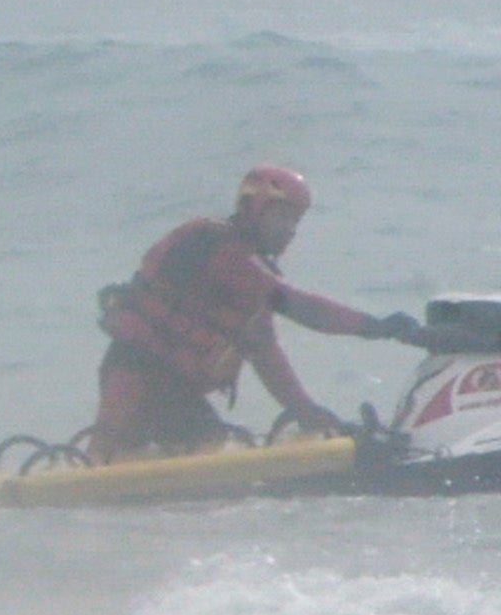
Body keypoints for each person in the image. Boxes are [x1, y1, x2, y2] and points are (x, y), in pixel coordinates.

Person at [91, 164, 425, 459]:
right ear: (252, 209)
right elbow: (302, 308)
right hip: (136, 373)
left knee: (200, 446)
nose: (289, 229)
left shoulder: (251, 285)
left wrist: (304, 411)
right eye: (281, 216)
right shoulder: (215, 245)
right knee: (111, 458)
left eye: (295, 220)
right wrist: (376, 326)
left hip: (172, 387)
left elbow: (266, 355)